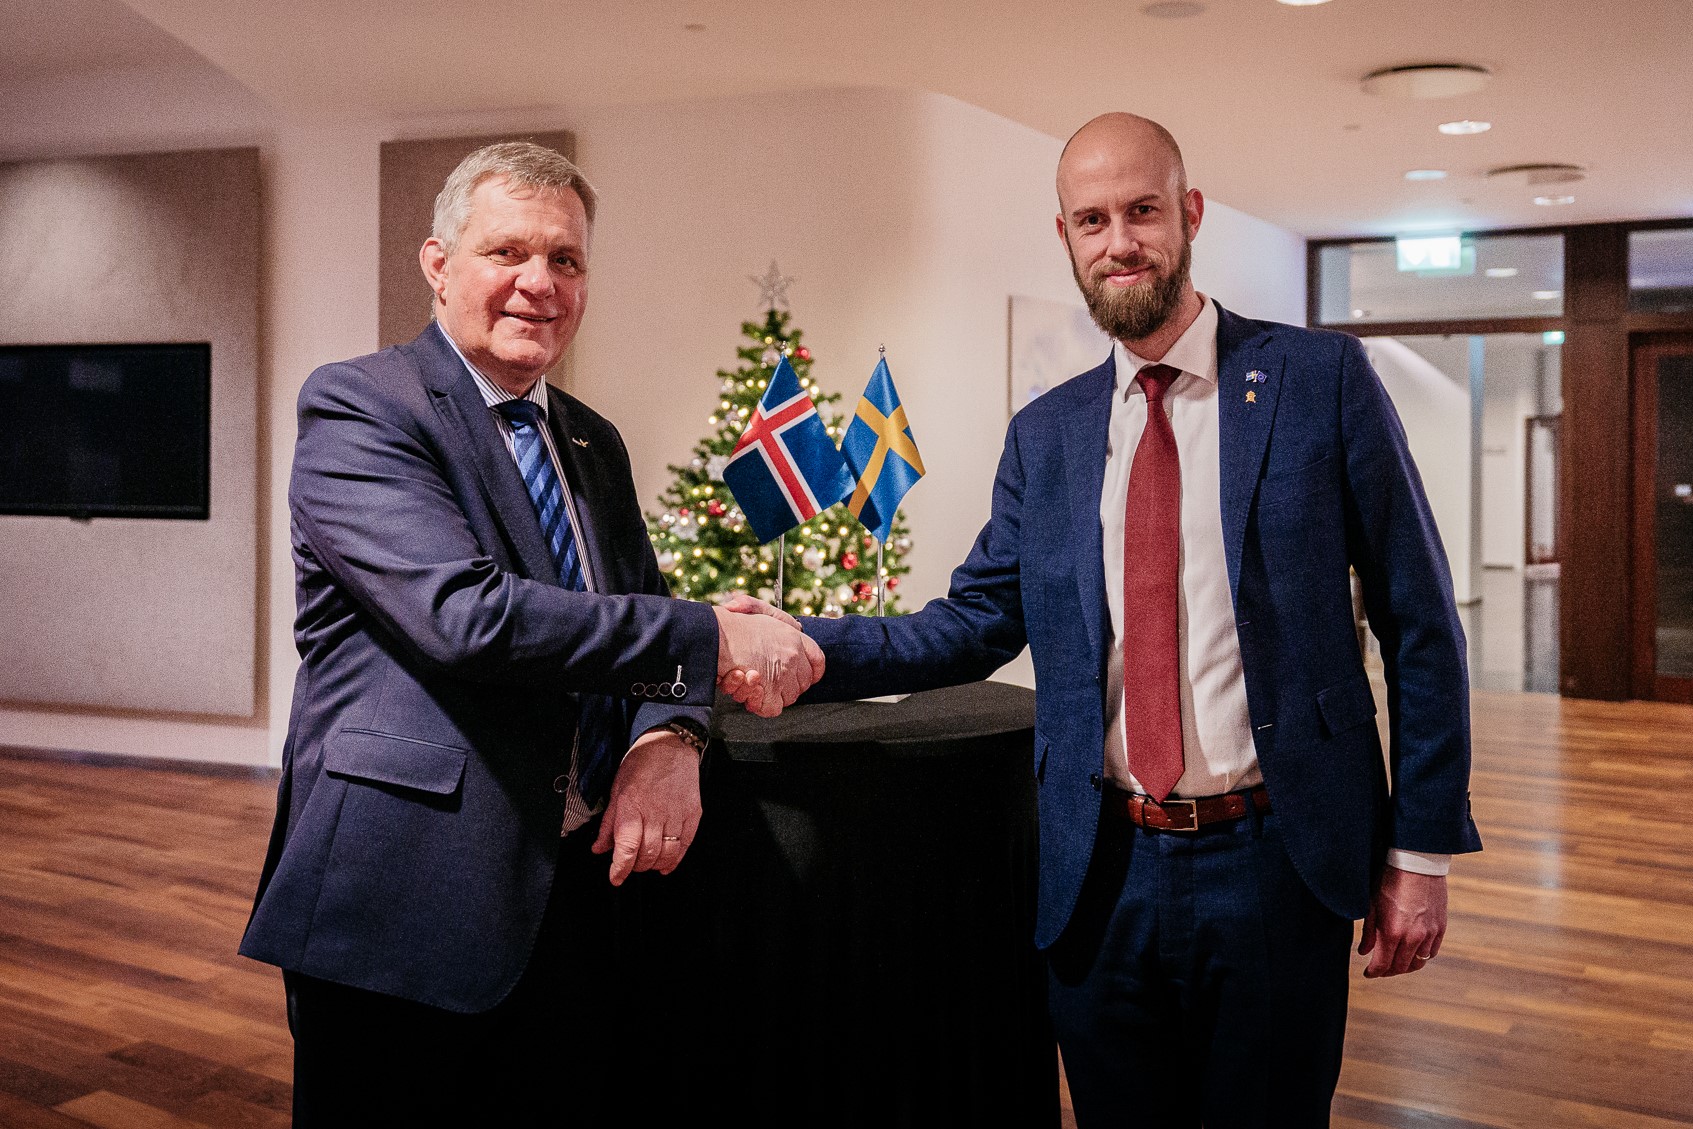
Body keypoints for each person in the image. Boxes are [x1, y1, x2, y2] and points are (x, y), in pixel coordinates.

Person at [726, 113, 1481, 1126]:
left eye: (1141, 211)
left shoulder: (1316, 382)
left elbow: (1420, 620)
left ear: (1190, 215)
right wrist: (805, 641)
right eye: (1092, 219)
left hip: (1274, 858)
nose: (1118, 240)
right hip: (1099, 870)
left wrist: (1419, 853)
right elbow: (974, 623)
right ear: (1066, 236)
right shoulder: (1049, 433)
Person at [240, 140, 819, 1126]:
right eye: (507, 252)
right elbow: (467, 616)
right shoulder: (361, 406)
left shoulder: (591, 439)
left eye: (566, 260)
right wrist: (707, 635)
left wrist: (669, 737)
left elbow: (643, 613)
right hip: (406, 896)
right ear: (436, 262)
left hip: (578, 894)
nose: (538, 284)